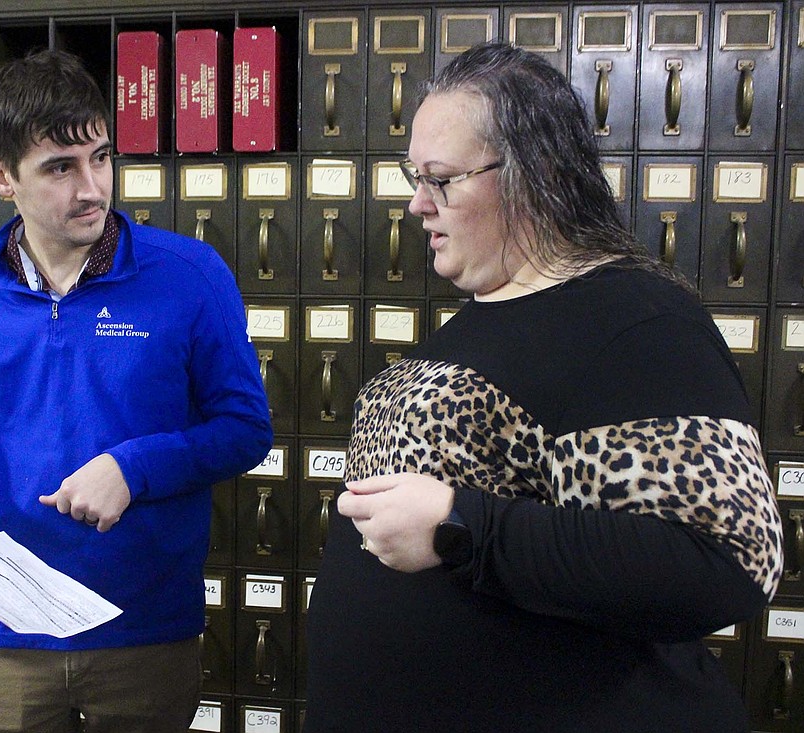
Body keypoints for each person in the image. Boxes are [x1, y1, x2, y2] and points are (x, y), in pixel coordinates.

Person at [303, 42, 782, 733]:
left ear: (537, 173)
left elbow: (726, 560)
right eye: (416, 177)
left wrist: (462, 529)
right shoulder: (481, 317)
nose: (417, 204)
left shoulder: (636, 319)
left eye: (441, 179)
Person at [0, 49, 272, 733]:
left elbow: (246, 428)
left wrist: (134, 468)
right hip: (4, 628)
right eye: (60, 168)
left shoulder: (189, 275)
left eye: (100, 158)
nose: (92, 188)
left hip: (142, 628)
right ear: (2, 178)